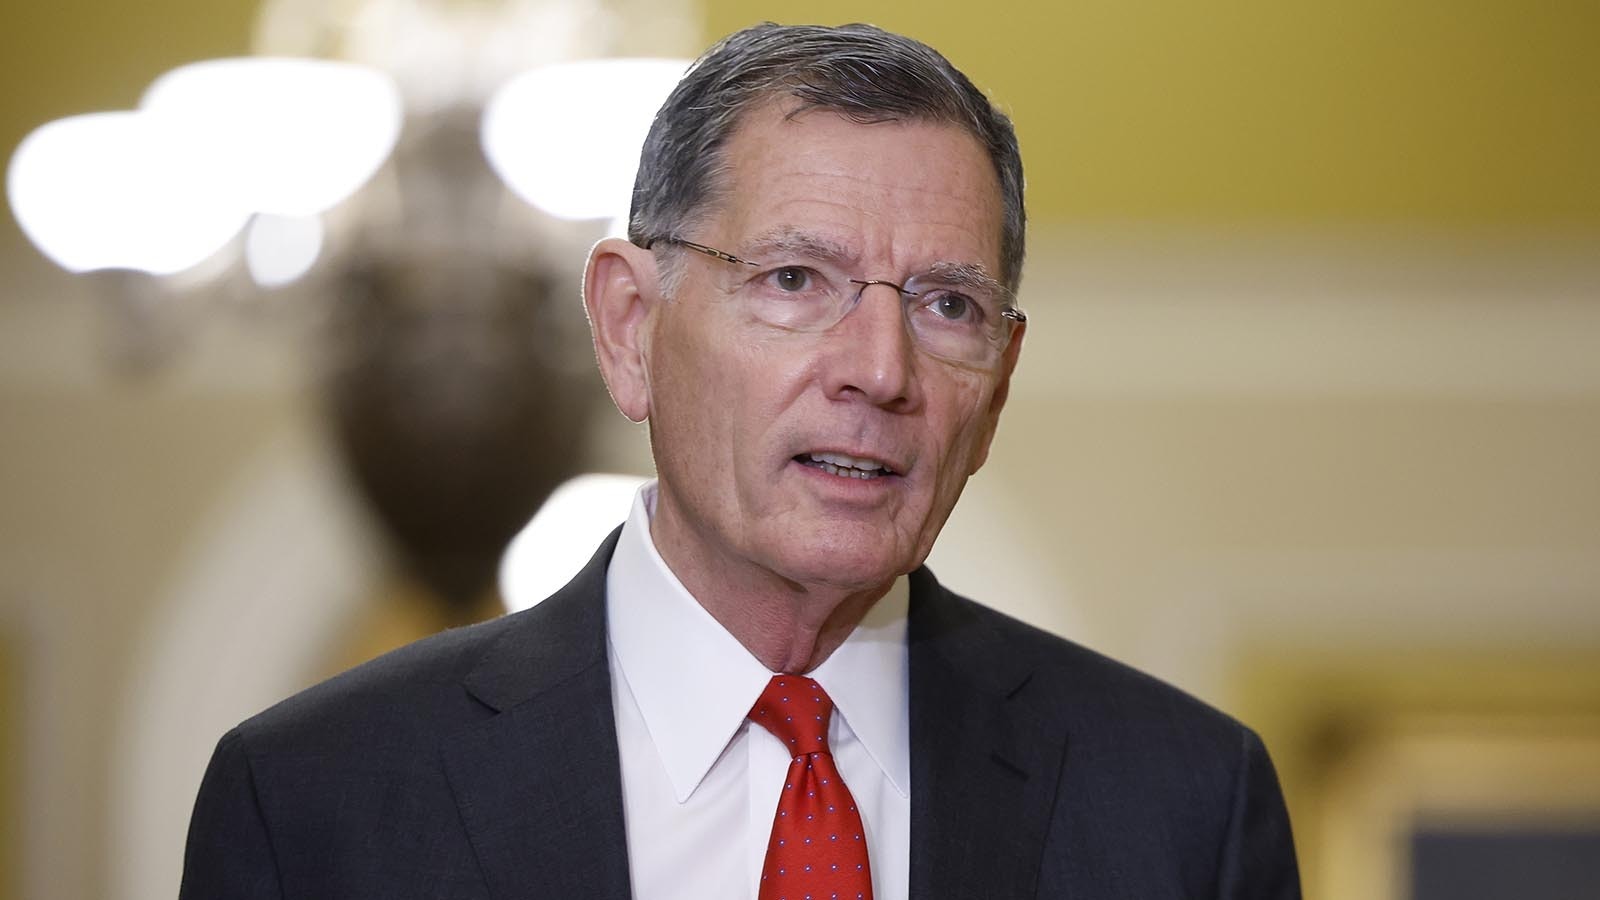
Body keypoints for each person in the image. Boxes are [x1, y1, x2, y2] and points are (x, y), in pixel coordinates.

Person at [180, 22, 1301, 900]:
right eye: (794, 280)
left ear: (997, 387)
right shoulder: (315, 800)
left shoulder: (1181, 806)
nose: (879, 370)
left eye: (947, 304)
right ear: (629, 329)